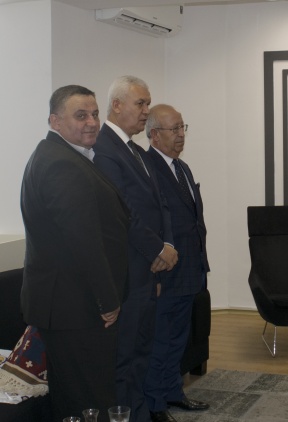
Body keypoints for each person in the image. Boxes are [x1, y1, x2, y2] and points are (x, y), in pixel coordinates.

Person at [20, 85, 130, 421]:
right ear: (55, 121)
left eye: (94, 114)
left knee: (77, 397)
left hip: (72, 304)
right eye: (81, 115)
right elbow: (84, 242)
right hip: (77, 306)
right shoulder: (61, 164)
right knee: (89, 400)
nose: (92, 122)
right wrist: (107, 301)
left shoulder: (65, 156)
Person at [93, 76, 178, 422]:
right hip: (127, 272)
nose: (146, 111)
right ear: (116, 105)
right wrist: (158, 249)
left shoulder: (136, 151)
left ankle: (139, 413)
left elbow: (161, 204)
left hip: (147, 270)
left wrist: (167, 244)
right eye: (140, 103)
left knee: (142, 351)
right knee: (125, 357)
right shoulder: (104, 150)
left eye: (147, 103)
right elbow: (123, 210)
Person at [144, 104, 210, 422]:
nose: (181, 134)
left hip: (189, 269)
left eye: (183, 127)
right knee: (161, 341)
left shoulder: (181, 167)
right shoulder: (147, 168)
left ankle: (173, 392)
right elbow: (149, 223)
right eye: (174, 129)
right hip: (165, 272)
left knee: (178, 339)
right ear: (154, 135)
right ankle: (155, 404)